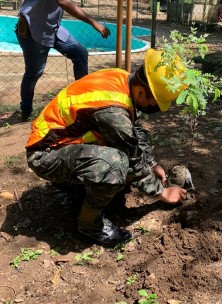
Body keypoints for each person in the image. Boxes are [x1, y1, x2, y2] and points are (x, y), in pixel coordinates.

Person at [24, 49, 188, 246]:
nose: (156, 109)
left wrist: (152, 163)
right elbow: (132, 156)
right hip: (45, 154)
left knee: (120, 163)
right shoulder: (113, 112)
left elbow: (135, 130)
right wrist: (161, 192)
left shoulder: (123, 79)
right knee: (114, 163)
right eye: (155, 103)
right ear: (141, 92)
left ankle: (77, 187)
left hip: (65, 144)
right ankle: (89, 224)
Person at [16, 0, 111, 122]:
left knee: (80, 54)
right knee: (34, 73)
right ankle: (25, 111)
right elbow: (61, 0)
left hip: (53, 27)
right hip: (34, 28)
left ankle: (82, 103)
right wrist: (93, 22)